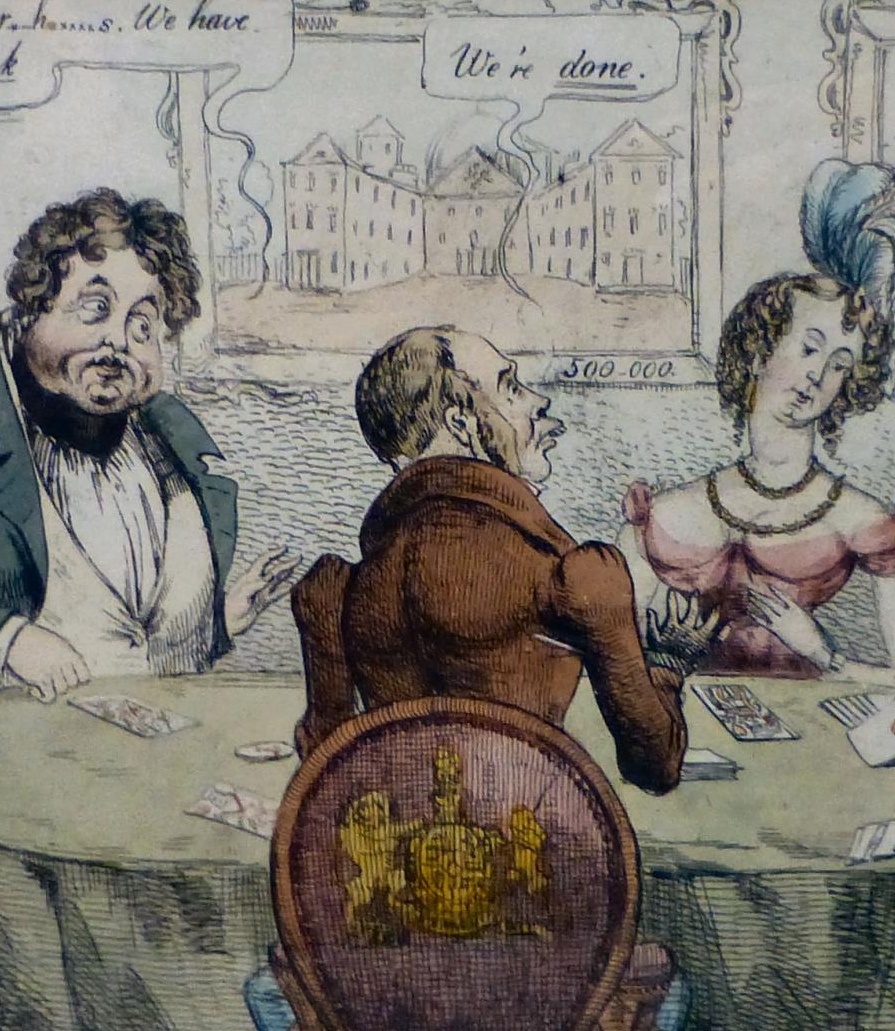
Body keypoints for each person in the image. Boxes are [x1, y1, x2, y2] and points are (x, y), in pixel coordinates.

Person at [0, 187, 298, 775]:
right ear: (29, 312)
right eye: (95, 309)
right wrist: (4, 637)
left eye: (142, 325)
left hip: (125, 740)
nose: (119, 342)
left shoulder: (172, 440)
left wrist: (212, 623)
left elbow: (133, 640)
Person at [291, 326, 712, 796]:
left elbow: (324, 763)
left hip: (400, 836)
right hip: (524, 832)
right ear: (461, 423)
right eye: (510, 387)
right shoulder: (575, 576)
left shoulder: (338, 590)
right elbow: (654, 765)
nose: (538, 401)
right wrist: (667, 664)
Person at [621, 270, 895, 683]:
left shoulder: (863, 518)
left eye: (839, 365)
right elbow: (615, 659)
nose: (817, 375)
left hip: (807, 715)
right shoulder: (666, 512)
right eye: (808, 349)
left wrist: (823, 654)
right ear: (758, 353)